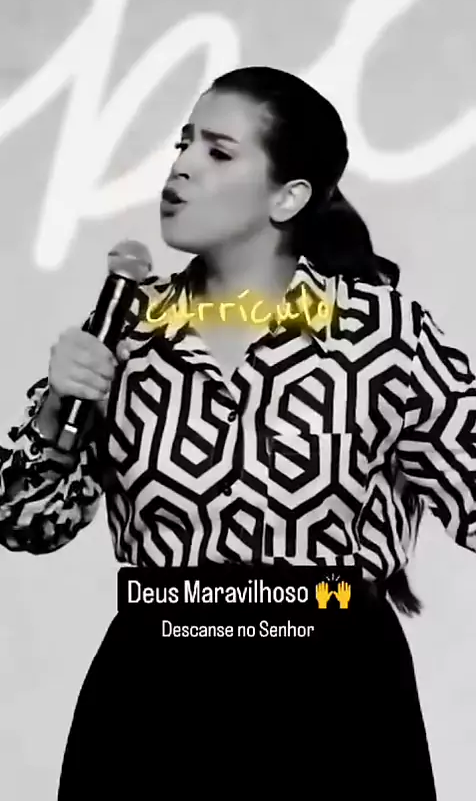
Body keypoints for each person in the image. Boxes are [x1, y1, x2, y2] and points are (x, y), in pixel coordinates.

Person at [1, 64, 473, 799]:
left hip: (337, 695)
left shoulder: (382, 333)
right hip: (153, 692)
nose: (182, 166)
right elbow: (24, 522)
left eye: (218, 151)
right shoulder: (126, 331)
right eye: (183, 143)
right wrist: (56, 408)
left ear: (289, 196)